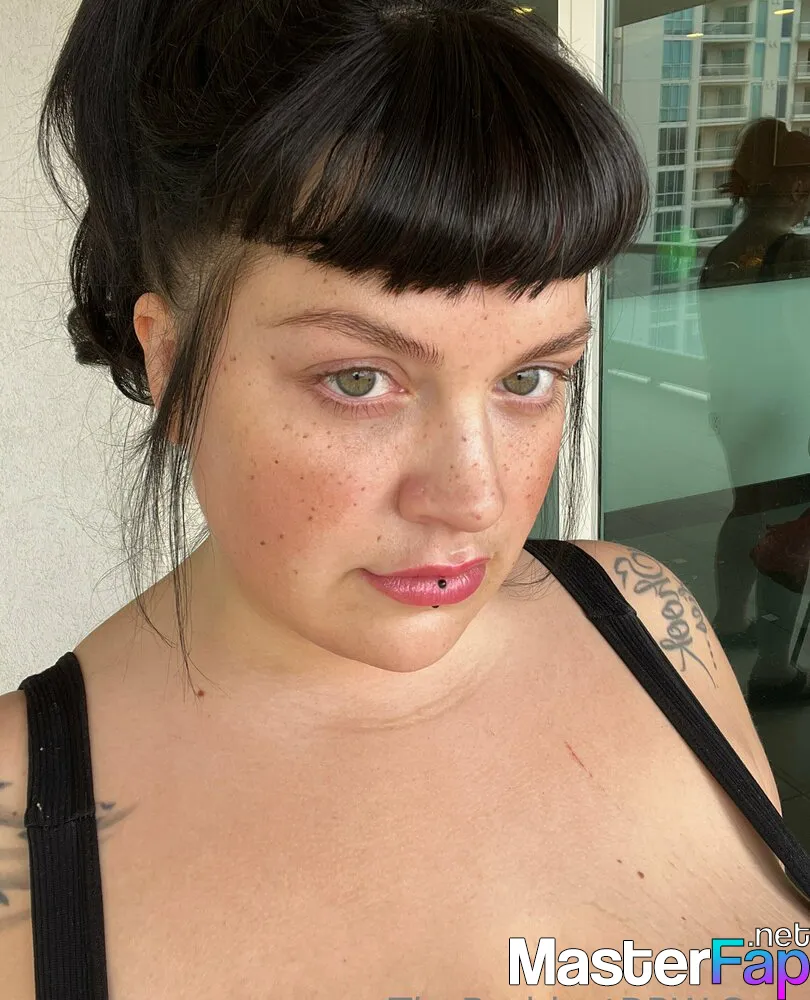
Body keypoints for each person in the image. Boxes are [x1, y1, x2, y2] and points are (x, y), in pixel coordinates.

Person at [2, 3, 810, 998]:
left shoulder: (645, 617)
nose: (475, 498)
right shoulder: (23, 814)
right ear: (170, 365)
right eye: (358, 379)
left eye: (530, 378)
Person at [698, 117, 810, 708]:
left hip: (737, 403)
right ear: (795, 187)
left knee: (748, 509)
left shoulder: (725, 251)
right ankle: (773, 668)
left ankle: (730, 619)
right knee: (789, 531)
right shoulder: (796, 252)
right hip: (790, 411)